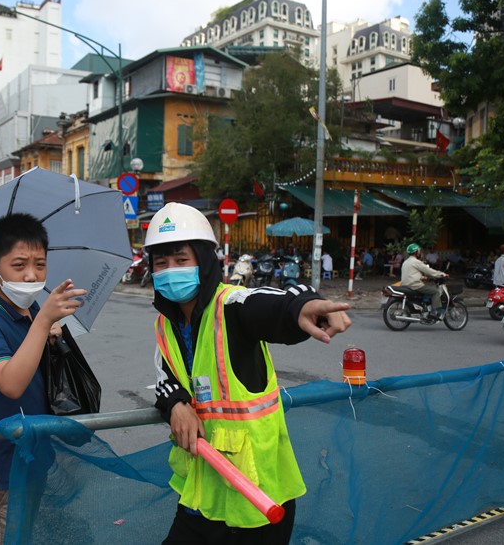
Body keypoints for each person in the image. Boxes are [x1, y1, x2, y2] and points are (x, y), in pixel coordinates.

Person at [144, 203, 351, 544]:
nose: (170, 271)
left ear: (205, 261)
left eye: (181, 260)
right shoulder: (166, 324)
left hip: (258, 502)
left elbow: (269, 303)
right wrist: (176, 404)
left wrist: (301, 306)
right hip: (201, 496)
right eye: (161, 263)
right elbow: (166, 377)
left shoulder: (233, 307)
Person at [0, 213, 87, 545]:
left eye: (40, 264)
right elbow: (11, 383)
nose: (32, 275)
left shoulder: (33, 312)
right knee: (5, 536)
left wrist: (49, 333)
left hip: (35, 451)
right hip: (3, 463)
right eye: (19, 265)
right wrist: (43, 321)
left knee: (26, 532)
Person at [401, 243, 449, 316]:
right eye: (419, 251)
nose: (420, 253)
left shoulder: (406, 262)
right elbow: (429, 271)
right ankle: (435, 312)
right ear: (416, 252)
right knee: (435, 291)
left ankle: (425, 307)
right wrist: (442, 274)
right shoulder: (416, 262)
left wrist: (423, 278)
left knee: (427, 289)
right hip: (415, 285)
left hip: (405, 284)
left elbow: (411, 274)